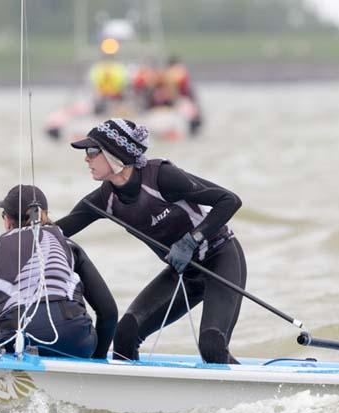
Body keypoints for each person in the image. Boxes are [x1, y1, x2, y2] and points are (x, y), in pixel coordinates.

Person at [56, 118, 246, 364]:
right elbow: (59, 231)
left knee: (211, 344)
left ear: (115, 154)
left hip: (221, 258)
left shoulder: (162, 177)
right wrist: (24, 228)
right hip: (184, 272)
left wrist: (190, 241)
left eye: (93, 151)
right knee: (125, 335)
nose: (86, 158)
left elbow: (229, 200)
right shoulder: (104, 200)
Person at [0, 184, 118, 359]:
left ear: (7, 220)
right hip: (78, 342)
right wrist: (97, 359)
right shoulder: (69, 247)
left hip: (16, 343)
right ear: (44, 215)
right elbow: (109, 313)